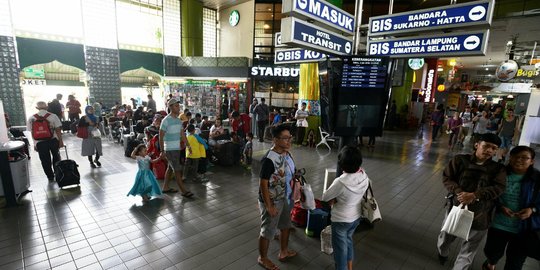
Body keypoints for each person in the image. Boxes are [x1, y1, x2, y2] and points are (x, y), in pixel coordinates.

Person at [437, 133, 507, 270]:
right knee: (446, 238)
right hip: (456, 207)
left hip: (481, 213)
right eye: (486, 146)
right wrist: (458, 191)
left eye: (494, 148)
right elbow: (447, 177)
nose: (489, 151)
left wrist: (475, 195)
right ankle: (443, 252)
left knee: (470, 247)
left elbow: (499, 188)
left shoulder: (498, 169)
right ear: (477, 145)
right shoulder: (460, 160)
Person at [482, 146, 539, 270]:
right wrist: (500, 206)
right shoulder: (499, 174)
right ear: (510, 158)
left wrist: (531, 210)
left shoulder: (537, 179)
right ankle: (490, 264)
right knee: (492, 253)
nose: (519, 160)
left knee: (515, 263)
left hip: (523, 229)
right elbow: (488, 194)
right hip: (498, 224)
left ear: (532, 161)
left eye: (524, 157)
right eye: (515, 156)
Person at [322, 146, 369, 270]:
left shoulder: (341, 182)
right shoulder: (364, 175)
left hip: (341, 220)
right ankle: (350, 267)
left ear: (341, 165)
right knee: (348, 242)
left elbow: (325, 197)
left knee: (340, 251)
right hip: (356, 218)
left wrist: (336, 199)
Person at [257, 124, 297, 270]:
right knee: (268, 231)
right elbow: (263, 183)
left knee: (285, 225)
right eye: (285, 138)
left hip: (285, 197)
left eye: (290, 137)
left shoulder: (286, 153)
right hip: (272, 200)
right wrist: (269, 205)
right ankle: (262, 258)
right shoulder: (269, 159)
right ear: (275, 140)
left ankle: (284, 251)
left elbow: (290, 171)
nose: (289, 141)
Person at [159, 98, 193, 197]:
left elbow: (182, 135)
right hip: (169, 149)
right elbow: (160, 136)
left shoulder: (179, 121)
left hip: (176, 149)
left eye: (179, 106)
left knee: (170, 168)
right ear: (170, 107)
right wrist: (162, 151)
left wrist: (188, 145)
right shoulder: (165, 120)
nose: (179, 108)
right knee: (177, 169)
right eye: (176, 106)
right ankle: (183, 191)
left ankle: (165, 187)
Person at [27, 101, 64, 181]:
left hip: (40, 142)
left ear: (37, 108)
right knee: (56, 157)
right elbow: (58, 130)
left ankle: (50, 176)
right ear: (47, 107)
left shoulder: (31, 118)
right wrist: (61, 141)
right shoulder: (53, 116)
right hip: (53, 140)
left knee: (44, 160)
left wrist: (34, 144)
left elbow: (32, 133)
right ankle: (57, 173)